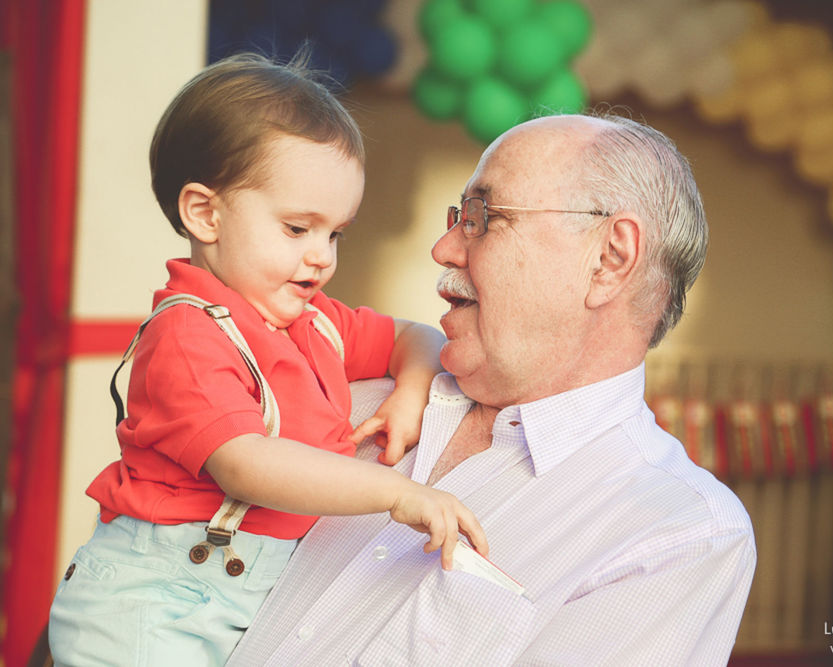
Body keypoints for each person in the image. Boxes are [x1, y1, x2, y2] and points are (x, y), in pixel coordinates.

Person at [229, 112, 756, 666]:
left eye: (481, 217)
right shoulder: (342, 395)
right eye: (458, 216)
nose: (444, 248)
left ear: (610, 258)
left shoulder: (674, 532)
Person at [47, 52, 487, 665]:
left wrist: (410, 394)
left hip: (246, 601)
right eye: (297, 228)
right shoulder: (187, 332)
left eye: (334, 233)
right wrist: (394, 493)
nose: (321, 257)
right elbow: (247, 465)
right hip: (155, 605)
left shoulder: (315, 321)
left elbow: (417, 336)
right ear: (205, 214)